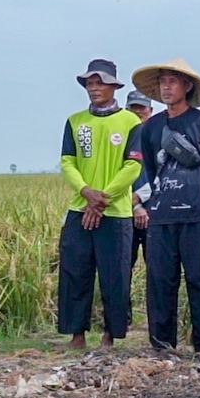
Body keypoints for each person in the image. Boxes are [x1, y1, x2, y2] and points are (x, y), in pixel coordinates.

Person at [131, 58, 200, 362]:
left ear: (187, 86)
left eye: (173, 81)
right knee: (160, 280)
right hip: (160, 215)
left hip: (195, 215)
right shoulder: (152, 127)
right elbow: (147, 167)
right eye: (163, 82)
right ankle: (162, 343)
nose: (167, 86)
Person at [58, 60, 143, 348]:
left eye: (100, 83)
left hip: (116, 212)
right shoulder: (75, 121)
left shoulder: (131, 122)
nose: (94, 88)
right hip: (79, 208)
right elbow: (68, 161)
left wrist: (101, 199)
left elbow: (133, 166)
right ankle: (76, 334)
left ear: (114, 86)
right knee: (75, 271)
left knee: (115, 274)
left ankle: (111, 334)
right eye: (89, 83)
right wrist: (85, 192)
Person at [126, 89, 154, 271]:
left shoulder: (157, 135)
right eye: (133, 108)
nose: (137, 112)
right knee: (123, 264)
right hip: (125, 209)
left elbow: (164, 171)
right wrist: (134, 206)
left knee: (157, 266)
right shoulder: (121, 137)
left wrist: (141, 198)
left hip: (154, 209)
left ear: (150, 110)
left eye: (141, 108)